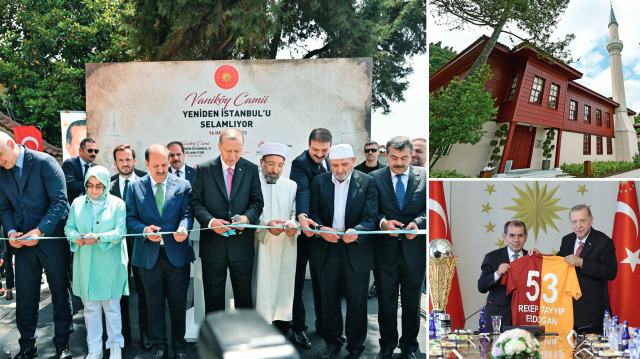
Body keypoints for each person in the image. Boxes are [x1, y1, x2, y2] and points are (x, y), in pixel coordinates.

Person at [0, 132, 73, 359]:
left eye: (1, 155)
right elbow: (4, 208)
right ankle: (27, 346)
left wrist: (40, 231)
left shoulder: (45, 163)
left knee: (60, 293)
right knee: (26, 296)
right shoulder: (1, 170)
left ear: (11, 144)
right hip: (22, 245)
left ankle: (62, 344)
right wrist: (11, 231)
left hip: (51, 240)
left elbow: (60, 202)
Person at [126, 144, 195, 359]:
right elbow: (129, 219)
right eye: (155, 165)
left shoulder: (183, 185)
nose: (161, 169)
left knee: (177, 303)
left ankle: (179, 345)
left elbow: (187, 213)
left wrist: (184, 227)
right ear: (146, 164)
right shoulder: (135, 187)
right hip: (148, 256)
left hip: (177, 255)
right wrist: (144, 230)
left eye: (164, 164)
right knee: (153, 303)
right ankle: (159, 345)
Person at [310, 144, 378, 359]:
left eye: (344, 164)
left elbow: (371, 218)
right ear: (328, 163)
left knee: (357, 303)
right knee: (329, 301)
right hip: (327, 248)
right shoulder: (319, 182)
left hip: (356, 249)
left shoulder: (368, 182)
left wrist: (357, 232)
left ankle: (356, 348)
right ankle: (332, 344)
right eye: (335, 164)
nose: (339, 169)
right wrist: (321, 230)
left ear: (353, 160)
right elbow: (312, 213)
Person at [190, 128, 264, 314]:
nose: (233, 156)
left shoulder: (251, 169)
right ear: (219, 147)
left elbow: (257, 202)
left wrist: (247, 218)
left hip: (242, 245)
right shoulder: (205, 169)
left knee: (244, 298)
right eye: (228, 151)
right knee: (213, 299)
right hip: (213, 247)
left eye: (237, 151)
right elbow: (196, 202)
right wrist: (211, 221)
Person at [64, 166, 129, 359]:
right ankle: (94, 349)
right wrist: (76, 237)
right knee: (90, 309)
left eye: (99, 186)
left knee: (112, 308)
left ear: (107, 185)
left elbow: (121, 231)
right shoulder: (76, 203)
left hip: (109, 262)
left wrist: (99, 238)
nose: (94, 190)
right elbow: (69, 227)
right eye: (90, 185)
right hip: (85, 263)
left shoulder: (117, 203)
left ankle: (115, 347)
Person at [371, 136, 426, 359]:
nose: (399, 162)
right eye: (394, 157)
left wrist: (419, 223)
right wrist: (383, 223)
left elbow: (429, 209)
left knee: (412, 304)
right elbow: (370, 210)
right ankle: (387, 345)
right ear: (386, 155)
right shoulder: (373, 178)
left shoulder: (426, 177)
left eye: (404, 157)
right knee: (386, 303)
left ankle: (409, 346)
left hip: (415, 252)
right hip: (385, 252)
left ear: (411, 156)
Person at [289, 128, 333, 349]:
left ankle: (324, 327)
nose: (319, 154)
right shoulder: (299, 163)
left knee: (322, 282)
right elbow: (302, 190)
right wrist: (303, 217)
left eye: (324, 150)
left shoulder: (333, 161)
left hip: (324, 234)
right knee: (297, 283)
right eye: (315, 149)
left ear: (330, 147)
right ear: (308, 144)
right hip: (303, 234)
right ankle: (298, 329)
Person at [252, 142, 299, 335]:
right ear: (261, 162)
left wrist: (292, 226)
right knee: (259, 285)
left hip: (284, 246)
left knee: (283, 286)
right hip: (260, 244)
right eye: (271, 164)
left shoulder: (291, 186)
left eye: (280, 165)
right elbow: (250, 213)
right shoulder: (252, 184)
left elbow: (296, 214)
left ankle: (281, 325)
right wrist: (265, 225)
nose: (275, 170)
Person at [109, 144, 151, 350]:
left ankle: (146, 333)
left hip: (142, 245)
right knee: (120, 292)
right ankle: (123, 335)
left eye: (128, 159)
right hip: (116, 247)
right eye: (121, 160)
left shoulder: (147, 180)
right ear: (115, 163)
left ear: (135, 161)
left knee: (144, 292)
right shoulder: (107, 185)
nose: (125, 164)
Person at [557, 205, 617, 333]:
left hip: (593, 316)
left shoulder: (604, 241)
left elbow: (611, 271)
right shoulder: (567, 240)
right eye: (574, 222)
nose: (578, 225)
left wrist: (582, 262)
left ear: (591, 220)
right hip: (568, 314)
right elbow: (559, 263)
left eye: (582, 221)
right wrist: (540, 257)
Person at [478, 220, 533, 333]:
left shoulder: (532, 258)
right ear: (504, 237)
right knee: (494, 350)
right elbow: (481, 286)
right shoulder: (492, 257)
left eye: (520, 235)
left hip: (525, 318)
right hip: (498, 318)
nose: (516, 240)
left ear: (526, 237)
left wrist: (540, 259)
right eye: (512, 235)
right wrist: (497, 274)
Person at [62, 137, 99, 203]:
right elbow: (71, 185)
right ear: (80, 150)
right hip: (73, 205)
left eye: (96, 151)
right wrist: (92, 184)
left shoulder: (95, 167)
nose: (93, 154)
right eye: (90, 150)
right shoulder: (70, 164)